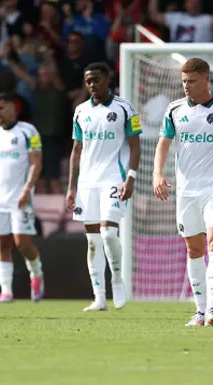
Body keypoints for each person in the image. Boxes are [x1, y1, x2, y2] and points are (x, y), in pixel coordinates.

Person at [153, 57, 213, 327]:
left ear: (206, 80)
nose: (186, 86)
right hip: (186, 192)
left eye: (192, 81)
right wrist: (158, 174)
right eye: (184, 81)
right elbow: (163, 145)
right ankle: (199, 310)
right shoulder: (174, 110)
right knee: (194, 249)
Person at [66, 62, 141, 312]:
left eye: (96, 80)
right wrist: (71, 187)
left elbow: (135, 145)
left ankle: (117, 282)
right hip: (87, 182)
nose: (92, 85)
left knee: (109, 234)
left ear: (107, 79)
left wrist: (130, 177)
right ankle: (99, 298)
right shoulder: (80, 111)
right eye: (88, 81)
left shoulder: (125, 108)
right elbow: (76, 150)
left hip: (114, 178)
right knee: (92, 241)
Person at [0, 92, 45, 304]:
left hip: (20, 197)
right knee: (2, 243)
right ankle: (6, 292)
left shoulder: (28, 132)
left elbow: (36, 163)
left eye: (1, 108)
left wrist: (27, 190)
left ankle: (36, 272)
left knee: (22, 243)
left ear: (14, 107)